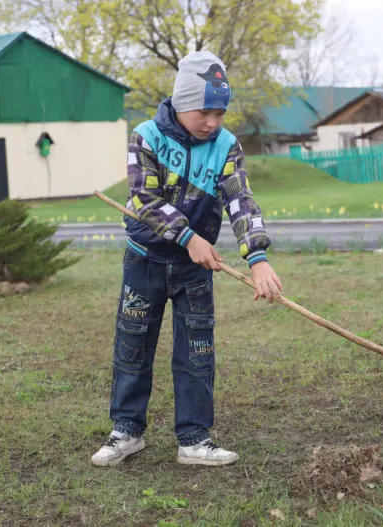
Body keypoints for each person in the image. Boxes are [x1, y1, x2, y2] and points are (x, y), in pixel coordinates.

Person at [91, 50, 283, 467]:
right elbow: (144, 198)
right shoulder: (146, 137)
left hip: (195, 270)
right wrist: (189, 236)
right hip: (144, 261)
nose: (213, 122)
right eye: (204, 111)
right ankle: (126, 431)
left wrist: (257, 258)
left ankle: (195, 439)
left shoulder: (226, 146)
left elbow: (240, 200)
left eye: (220, 112)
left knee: (197, 351)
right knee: (133, 345)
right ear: (181, 102)